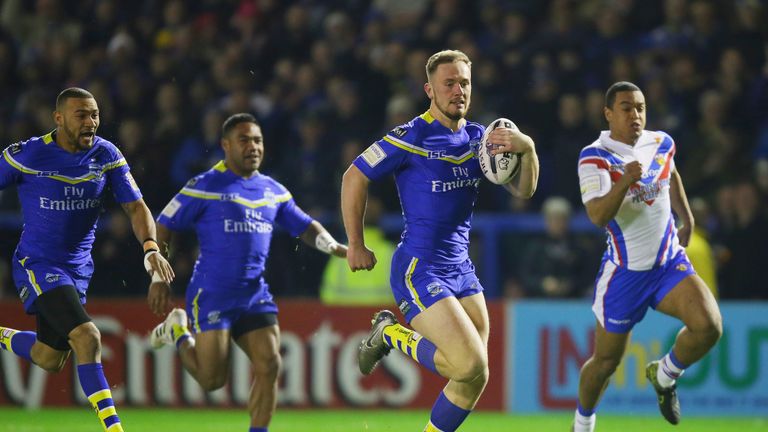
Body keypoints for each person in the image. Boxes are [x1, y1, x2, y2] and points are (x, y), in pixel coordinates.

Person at [341, 49, 539, 432]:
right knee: (469, 364)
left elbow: (524, 191)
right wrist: (355, 242)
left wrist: (527, 148)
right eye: (449, 84)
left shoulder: (481, 139)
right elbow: (354, 176)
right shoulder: (409, 137)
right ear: (429, 89)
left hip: (461, 269)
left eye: (464, 83)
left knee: (474, 377)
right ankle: (390, 333)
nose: (458, 90)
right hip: (419, 267)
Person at [148, 113, 347, 432]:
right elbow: (164, 225)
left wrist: (335, 247)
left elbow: (304, 225)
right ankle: (178, 332)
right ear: (225, 145)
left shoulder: (272, 190)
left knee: (270, 364)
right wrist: (158, 274)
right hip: (212, 294)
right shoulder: (204, 186)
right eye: (244, 140)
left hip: (254, 294)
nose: (253, 147)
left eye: (258, 140)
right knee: (212, 380)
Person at [0, 87, 174, 432]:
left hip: (77, 271)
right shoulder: (28, 155)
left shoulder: (106, 154)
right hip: (38, 265)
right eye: (82, 115)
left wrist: (151, 247)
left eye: (95, 115)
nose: (91, 122)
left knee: (48, 359)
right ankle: (114, 428)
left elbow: (135, 206)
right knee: (88, 337)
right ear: (59, 118)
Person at [574, 81, 723, 431]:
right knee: (606, 362)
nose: (635, 114)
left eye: (640, 107)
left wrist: (687, 216)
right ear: (609, 113)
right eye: (626, 107)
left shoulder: (660, 142)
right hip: (626, 273)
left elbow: (670, 173)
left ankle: (665, 375)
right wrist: (624, 181)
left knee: (709, 326)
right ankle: (582, 424)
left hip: (668, 263)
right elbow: (596, 216)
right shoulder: (594, 156)